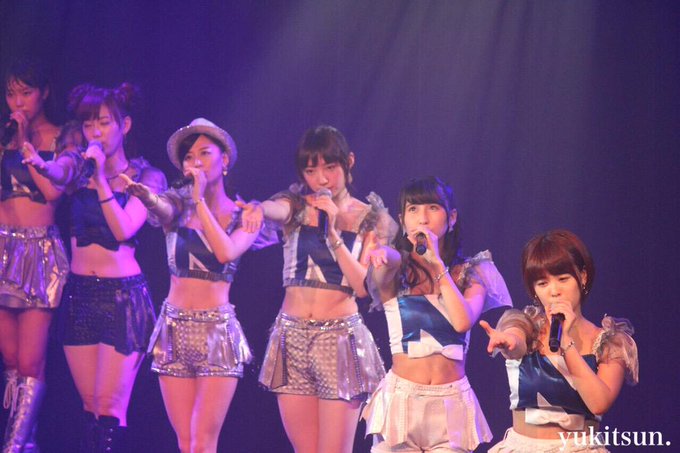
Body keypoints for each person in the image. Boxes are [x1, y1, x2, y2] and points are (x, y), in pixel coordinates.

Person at [29, 82, 167, 452]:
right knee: (89, 407)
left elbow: (124, 228)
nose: (95, 132)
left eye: (104, 123)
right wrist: (44, 165)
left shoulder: (147, 177)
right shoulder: (79, 166)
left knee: (109, 408)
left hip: (123, 299)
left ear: (124, 126)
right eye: (89, 124)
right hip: (80, 295)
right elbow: (60, 172)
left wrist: (102, 179)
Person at [123, 118, 270, 453]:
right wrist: (147, 197)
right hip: (173, 330)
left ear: (225, 160)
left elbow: (226, 252)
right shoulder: (177, 206)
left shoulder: (244, 215)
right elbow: (161, 207)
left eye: (205, 153)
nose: (196, 161)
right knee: (186, 442)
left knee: (203, 443)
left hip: (216, 333)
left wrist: (200, 200)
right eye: (189, 157)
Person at [250, 125, 394, 453]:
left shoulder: (371, 218)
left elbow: (363, 286)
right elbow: (276, 209)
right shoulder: (296, 205)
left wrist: (333, 235)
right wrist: (259, 208)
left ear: (348, 162)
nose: (322, 179)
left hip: (339, 338)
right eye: (311, 171)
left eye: (330, 167)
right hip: (291, 336)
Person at [361, 176, 512, 452]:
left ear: (451, 218)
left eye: (432, 207)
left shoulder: (473, 273)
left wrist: (438, 265)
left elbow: (462, 321)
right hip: (400, 401)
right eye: (413, 209)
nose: (423, 218)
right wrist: (381, 252)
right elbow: (389, 260)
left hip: (451, 405)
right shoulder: (397, 270)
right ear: (402, 220)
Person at [480, 229, 639, 452]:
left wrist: (566, 343)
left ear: (582, 277)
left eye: (563, 279)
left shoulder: (611, 342)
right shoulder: (525, 325)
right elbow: (516, 340)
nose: (554, 291)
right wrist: (509, 342)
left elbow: (599, 403)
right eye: (542, 283)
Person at [0, 57, 75, 453]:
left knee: (30, 362)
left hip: (39, 252)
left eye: (25, 93)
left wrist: (27, 142)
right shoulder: (4, 137)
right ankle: (25, 444)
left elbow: (52, 193)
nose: (17, 101)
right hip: (3, 250)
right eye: (11, 93)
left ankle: (12, 448)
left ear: (43, 92)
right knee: (11, 359)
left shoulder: (62, 137)